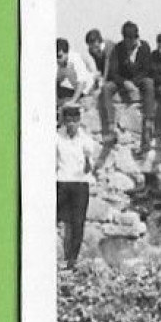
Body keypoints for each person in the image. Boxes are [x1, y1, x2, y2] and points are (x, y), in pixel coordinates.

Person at [56, 105, 99, 268]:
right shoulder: (57, 137)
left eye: (74, 121)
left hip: (80, 183)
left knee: (78, 221)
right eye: (68, 121)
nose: (71, 125)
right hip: (62, 181)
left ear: (79, 122)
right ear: (65, 122)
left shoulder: (86, 140)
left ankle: (72, 258)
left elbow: (89, 166)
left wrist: (88, 162)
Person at [97, 21, 152, 146]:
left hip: (139, 80)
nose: (129, 44)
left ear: (136, 38)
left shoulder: (144, 47)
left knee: (149, 83)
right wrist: (124, 82)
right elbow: (113, 72)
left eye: (131, 40)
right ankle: (110, 126)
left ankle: (148, 122)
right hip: (122, 81)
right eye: (126, 40)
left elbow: (147, 70)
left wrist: (134, 82)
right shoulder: (118, 49)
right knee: (106, 88)